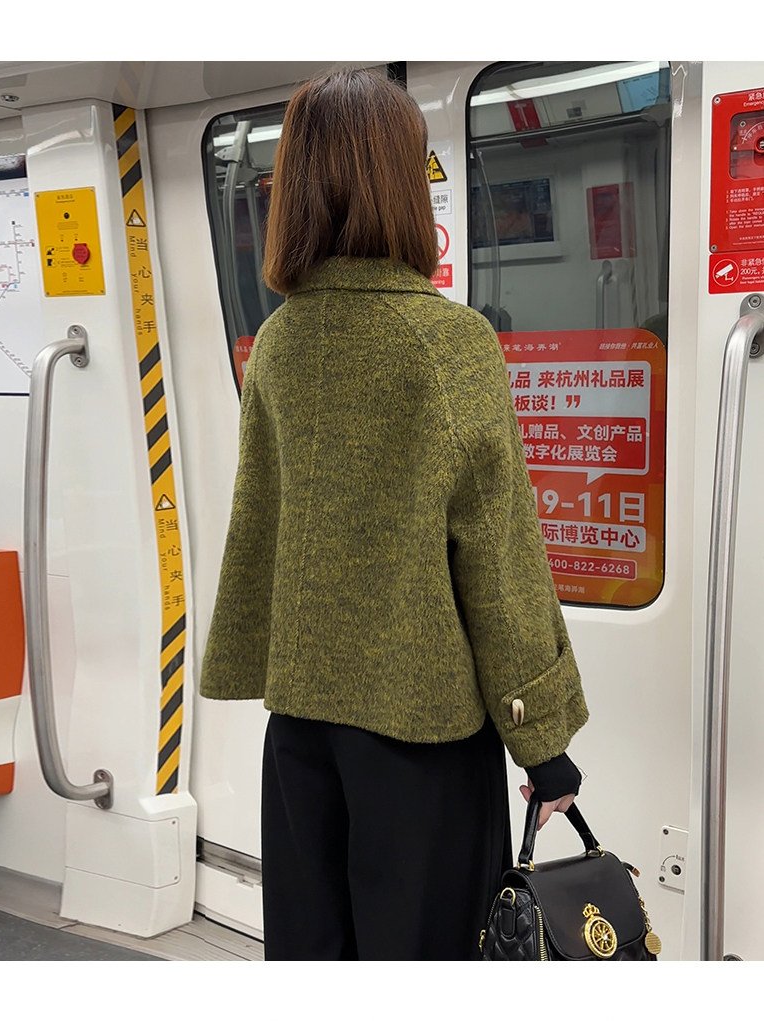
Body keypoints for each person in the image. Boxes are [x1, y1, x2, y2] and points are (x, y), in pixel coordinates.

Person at [200, 68, 589, 961]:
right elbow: (498, 558)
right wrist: (542, 743)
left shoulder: (278, 343)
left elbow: (261, 528)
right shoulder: (451, 344)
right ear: (403, 184)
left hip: (298, 740)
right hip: (423, 748)